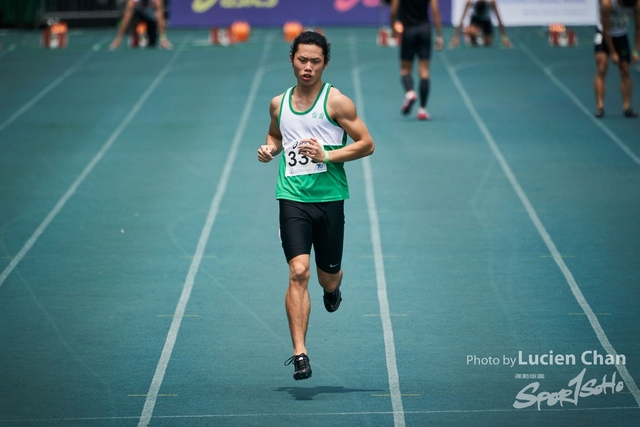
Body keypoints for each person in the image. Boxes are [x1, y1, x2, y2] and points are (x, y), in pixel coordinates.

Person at [257, 31, 374, 381]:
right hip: (292, 197)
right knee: (298, 272)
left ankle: (333, 288)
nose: (308, 67)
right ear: (292, 59)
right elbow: (276, 134)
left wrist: (328, 154)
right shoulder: (279, 102)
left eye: (315, 61)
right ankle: (300, 353)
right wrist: (269, 149)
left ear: (325, 63)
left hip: (329, 200)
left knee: (326, 275)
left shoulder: (336, 102)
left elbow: (366, 144)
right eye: (302, 60)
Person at [390, 0, 443, 121]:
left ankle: (410, 92)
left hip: (409, 31)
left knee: (405, 70)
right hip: (425, 31)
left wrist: (393, 29)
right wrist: (439, 35)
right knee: (424, 72)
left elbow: (393, 10)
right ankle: (423, 110)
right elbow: (435, 11)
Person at [594, 0, 640, 118]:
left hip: (621, 35)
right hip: (603, 34)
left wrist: (635, 51)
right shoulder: (607, 4)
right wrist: (613, 52)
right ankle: (600, 106)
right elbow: (606, 30)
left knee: (625, 70)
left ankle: (627, 107)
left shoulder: (636, 4)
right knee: (602, 67)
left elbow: (638, 27)